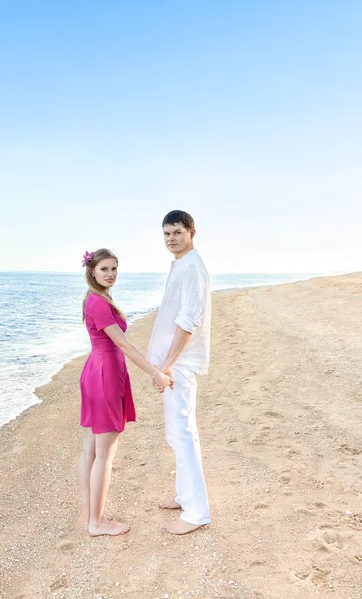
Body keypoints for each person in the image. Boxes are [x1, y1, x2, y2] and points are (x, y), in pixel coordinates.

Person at [78, 248, 173, 536]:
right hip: (105, 374)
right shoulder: (98, 303)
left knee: (92, 450)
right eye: (105, 269)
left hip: (99, 370)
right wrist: (156, 373)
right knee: (103, 453)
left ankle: (92, 515)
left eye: (114, 269)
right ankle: (96, 522)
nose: (110, 274)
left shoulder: (98, 299)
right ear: (92, 271)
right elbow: (124, 345)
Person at [147, 210, 212, 535]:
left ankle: (198, 511)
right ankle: (185, 496)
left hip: (179, 366)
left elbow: (189, 320)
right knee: (177, 432)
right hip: (172, 364)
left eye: (177, 232)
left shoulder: (192, 268)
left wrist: (167, 365)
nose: (171, 239)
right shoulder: (181, 265)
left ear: (191, 232)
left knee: (182, 433)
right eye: (167, 234)